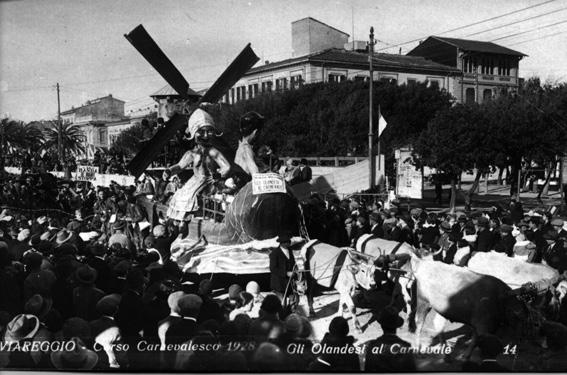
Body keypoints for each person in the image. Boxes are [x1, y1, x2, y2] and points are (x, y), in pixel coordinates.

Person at [164, 109, 231, 222]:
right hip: (194, 181)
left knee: (195, 197)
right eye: (201, 132)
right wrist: (169, 171)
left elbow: (226, 167)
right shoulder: (191, 153)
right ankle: (182, 221)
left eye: (208, 131)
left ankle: (195, 219)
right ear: (194, 133)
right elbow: (180, 166)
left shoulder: (213, 152)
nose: (205, 135)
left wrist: (218, 175)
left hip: (209, 181)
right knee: (180, 194)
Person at [365, 306, 416, 372]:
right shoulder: (406, 347)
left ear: (381, 325)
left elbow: (368, 370)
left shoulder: (373, 346)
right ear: (396, 325)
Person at [269, 233, 295, 302]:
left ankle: (291, 312)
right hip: (279, 284)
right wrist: (286, 273)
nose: (289, 243)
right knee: (282, 303)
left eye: (289, 241)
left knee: (294, 300)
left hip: (289, 284)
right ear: (281, 243)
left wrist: (295, 270)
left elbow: (293, 263)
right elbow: (273, 268)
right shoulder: (275, 253)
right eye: (287, 242)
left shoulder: (290, 251)